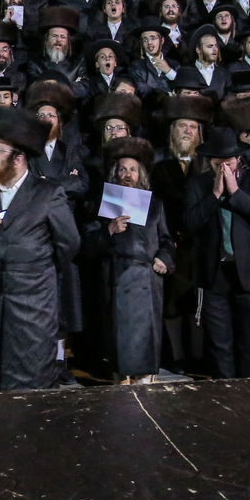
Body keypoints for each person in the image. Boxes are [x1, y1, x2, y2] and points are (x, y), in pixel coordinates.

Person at [0, 108, 80, 391]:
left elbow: (69, 244)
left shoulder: (48, 193)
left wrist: (33, 269)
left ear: (18, 158)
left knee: (27, 376)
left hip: (32, 304)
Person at [182, 127, 250, 379]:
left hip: (249, 275)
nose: (223, 168)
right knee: (219, 345)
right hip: (214, 275)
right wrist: (215, 195)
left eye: (228, 163)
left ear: (238, 159)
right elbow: (189, 223)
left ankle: (249, 393)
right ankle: (225, 395)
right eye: (218, 164)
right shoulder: (197, 184)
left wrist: (236, 193)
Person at [83, 136, 173, 383]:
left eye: (132, 169)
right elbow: (87, 245)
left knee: (145, 339)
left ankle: (145, 378)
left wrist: (164, 259)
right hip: (117, 279)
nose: (127, 174)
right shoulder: (104, 203)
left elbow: (166, 240)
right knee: (119, 341)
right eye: (122, 168)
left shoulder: (155, 204)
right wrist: (109, 230)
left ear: (140, 173)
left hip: (147, 279)